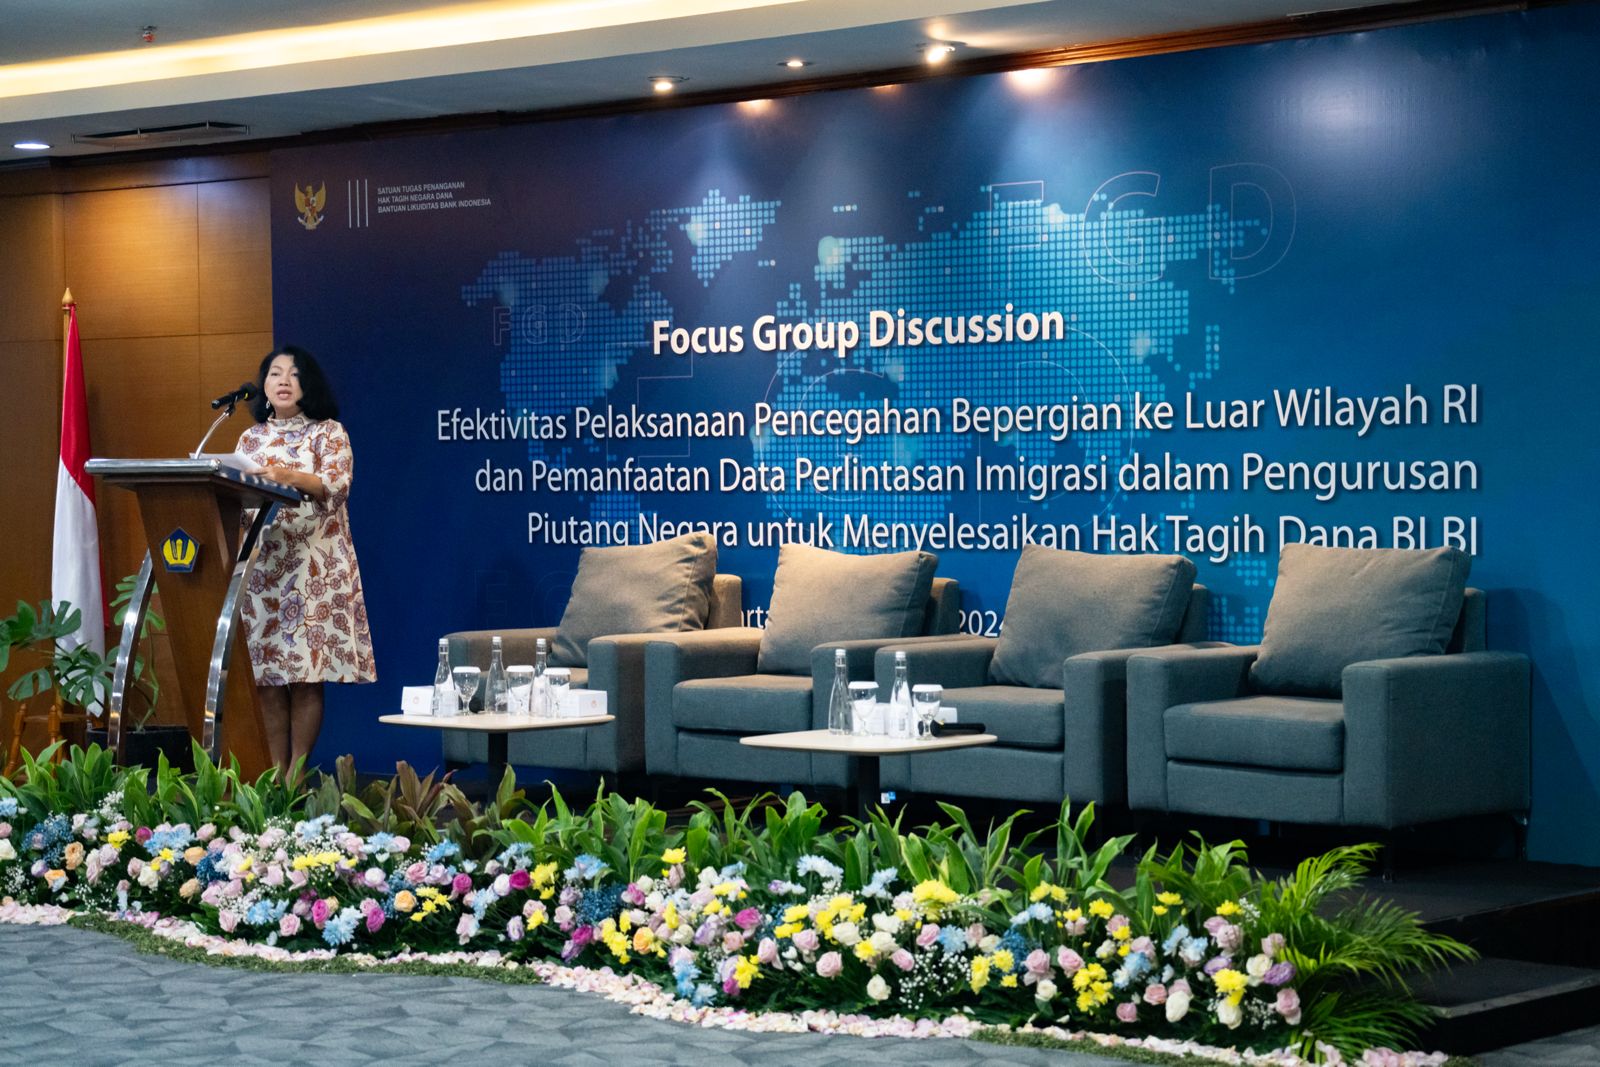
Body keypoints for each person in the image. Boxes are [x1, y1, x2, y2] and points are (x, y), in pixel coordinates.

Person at [235, 345, 376, 775]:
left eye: (293, 374)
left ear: (307, 384)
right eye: (274, 373)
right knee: (268, 679)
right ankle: (275, 779)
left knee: (305, 676)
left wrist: (286, 476)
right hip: (264, 570)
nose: (283, 380)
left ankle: (295, 779)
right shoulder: (250, 440)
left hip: (314, 569)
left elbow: (336, 485)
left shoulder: (329, 433)